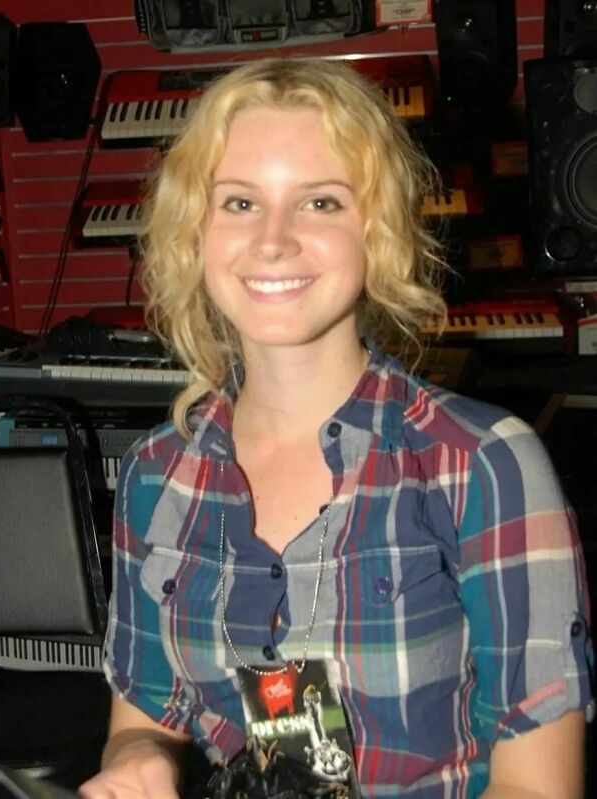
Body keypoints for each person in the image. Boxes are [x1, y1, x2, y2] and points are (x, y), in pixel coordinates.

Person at [79, 57, 593, 799]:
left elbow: (537, 788)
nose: (273, 240)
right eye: (240, 202)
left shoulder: (482, 463)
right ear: (194, 230)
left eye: (320, 202)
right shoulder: (156, 473)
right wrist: (141, 759)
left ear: (377, 230)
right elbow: (142, 717)